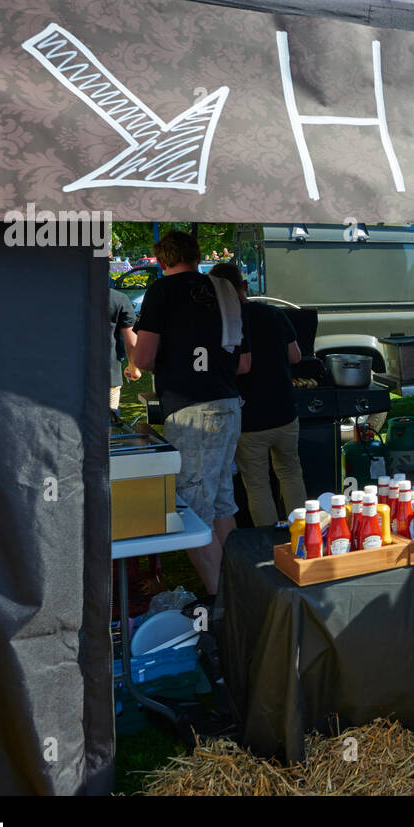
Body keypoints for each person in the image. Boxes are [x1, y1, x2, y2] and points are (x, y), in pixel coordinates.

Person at [130, 231, 250, 597]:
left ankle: (223, 602)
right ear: (198, 256)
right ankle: (244, 590)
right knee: (221, 503)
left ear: (162, 260)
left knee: (191, 514)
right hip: (229, 405)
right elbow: (243, 363)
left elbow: (144, 358)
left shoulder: (161, 291)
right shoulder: (225, 290)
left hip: (192, 412)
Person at [209, 263, 307, 524]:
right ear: (245, 286)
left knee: (257, 484)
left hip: (249, 418)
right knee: (290, 473)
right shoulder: (272, 313)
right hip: (285, 411)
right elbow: (295, 355)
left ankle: (268, 545)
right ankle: (301, 533)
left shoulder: (222, 322)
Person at [109, 283, 137, 422]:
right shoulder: (119, 299)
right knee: (108, 426)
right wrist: (133, 366)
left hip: (67, 376)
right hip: (109, 374)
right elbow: (131, 342)